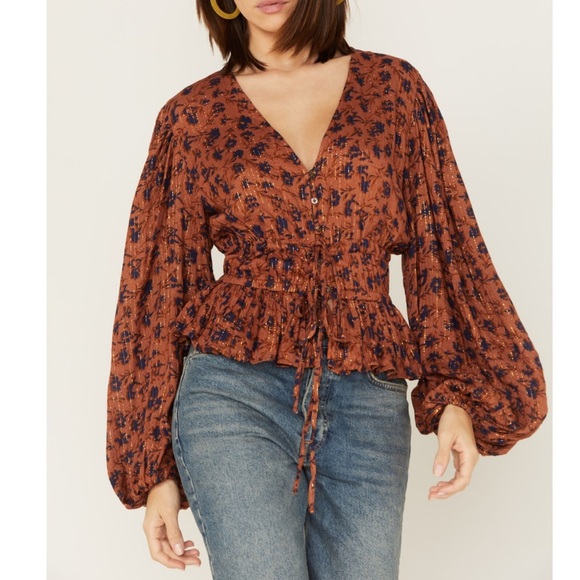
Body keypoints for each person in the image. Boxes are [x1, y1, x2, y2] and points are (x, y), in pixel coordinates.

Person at [105, 0, 548, 578]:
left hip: (367, 400)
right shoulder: (192, 117)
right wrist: (154, 472)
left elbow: (443, 243)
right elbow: (158, 287)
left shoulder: (395, 91)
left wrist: (455, 395)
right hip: (232, 395)